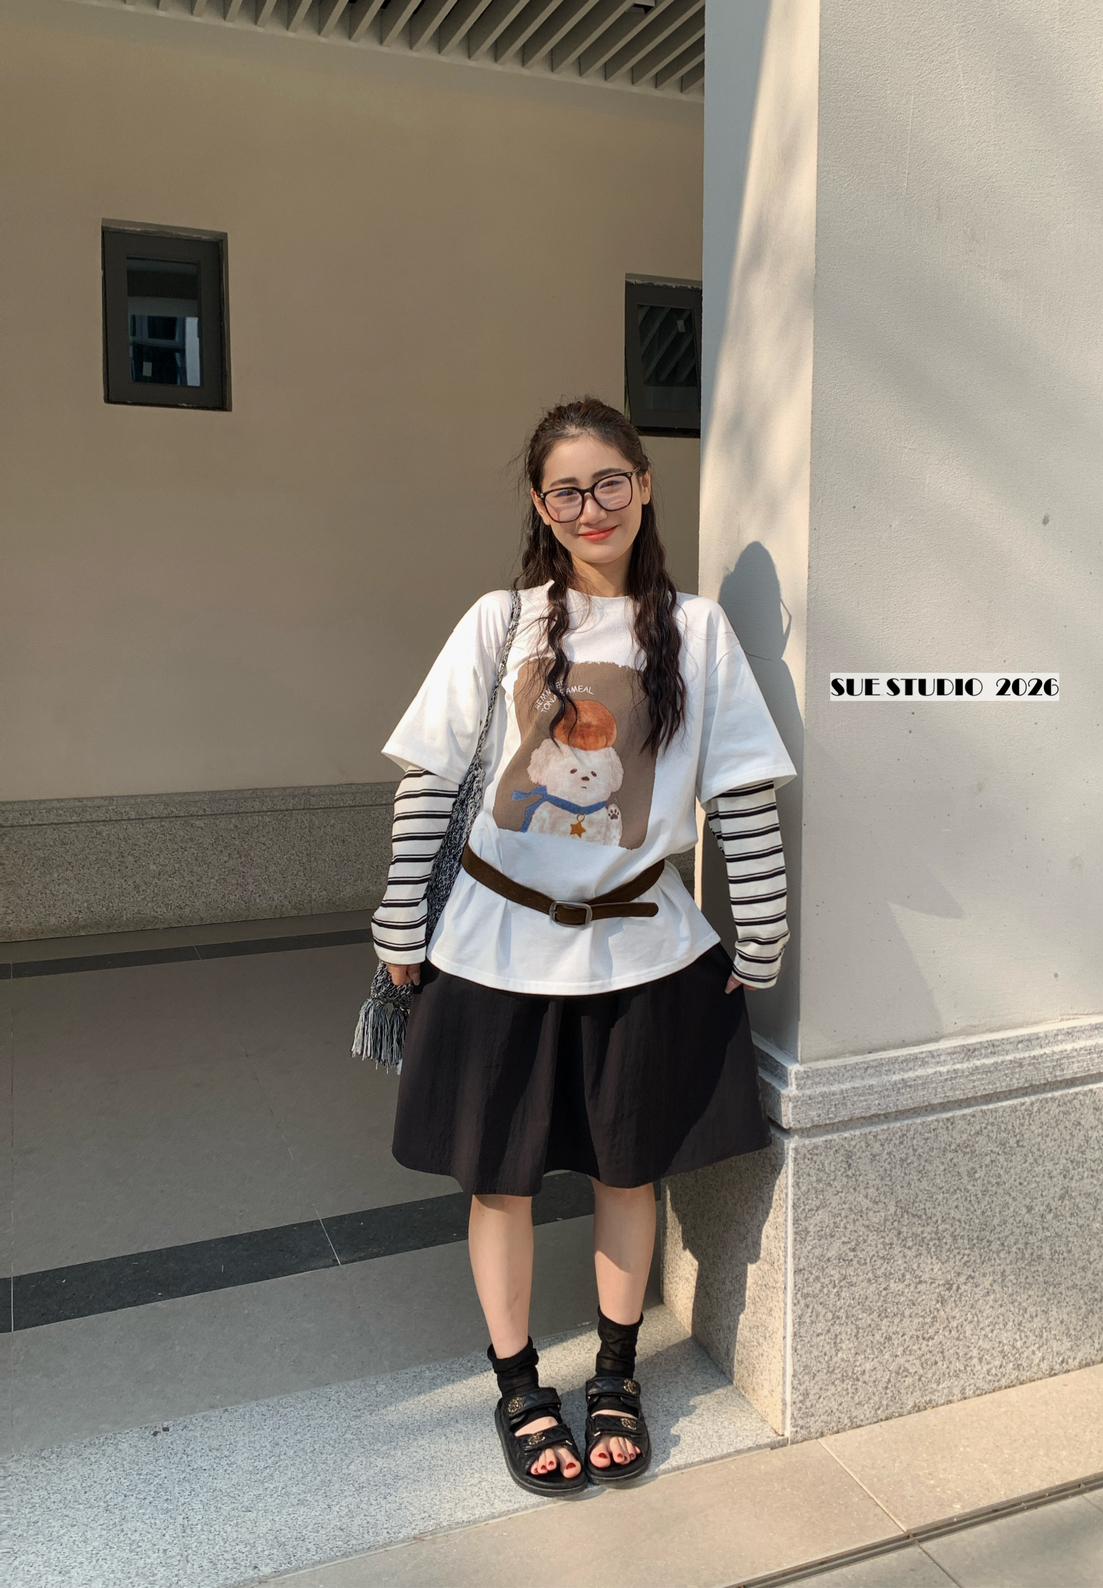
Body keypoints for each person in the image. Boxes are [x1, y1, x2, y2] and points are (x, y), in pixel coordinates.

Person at [371, 395, 797, 1495]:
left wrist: (762, 926)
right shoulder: (500, 622)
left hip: (642, 947)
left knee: (626, 1167)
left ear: (644, 485)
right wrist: (400, 924)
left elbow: (741, 792)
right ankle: (519, 1388)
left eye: (610, 481)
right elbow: (431, 779)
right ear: (540, 505)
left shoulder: (696, 630)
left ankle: (615, 1376)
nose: (591, 506)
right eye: (566, 490)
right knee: (499, 1180)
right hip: (492, 944)